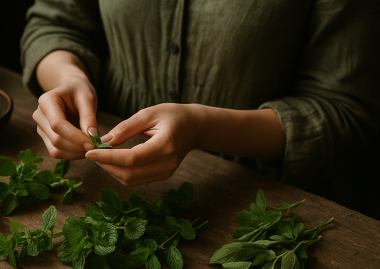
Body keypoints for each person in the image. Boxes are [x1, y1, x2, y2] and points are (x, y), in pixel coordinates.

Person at [20, 0, 380, 218]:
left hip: (257, 201)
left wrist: (202, 128)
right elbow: (55, 22)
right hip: (98, 185)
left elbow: (345, 112)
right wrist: (67, 77)